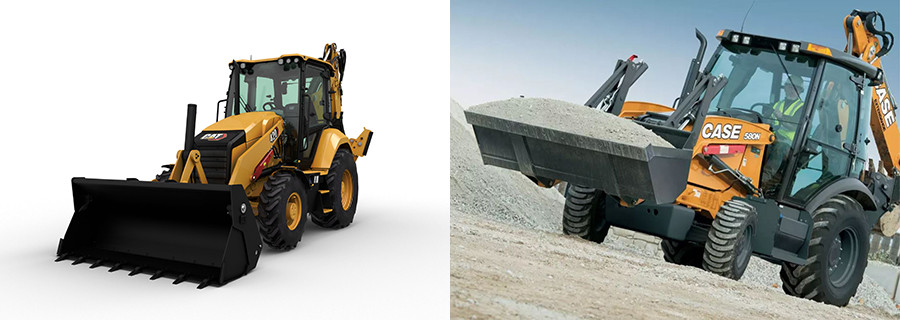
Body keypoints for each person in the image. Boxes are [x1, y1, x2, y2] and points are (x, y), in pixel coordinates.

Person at [760, 75, 805, 195]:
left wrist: (781, 118)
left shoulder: (802, 108)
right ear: (785, 88)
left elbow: (795, 125)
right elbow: (770, 121)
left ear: (800, 91)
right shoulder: (778, 104)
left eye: (795, 88)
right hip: (774, 138)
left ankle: (763, 178)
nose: (791, 90)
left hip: (790, 145)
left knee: (780, 148)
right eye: (789, 87)